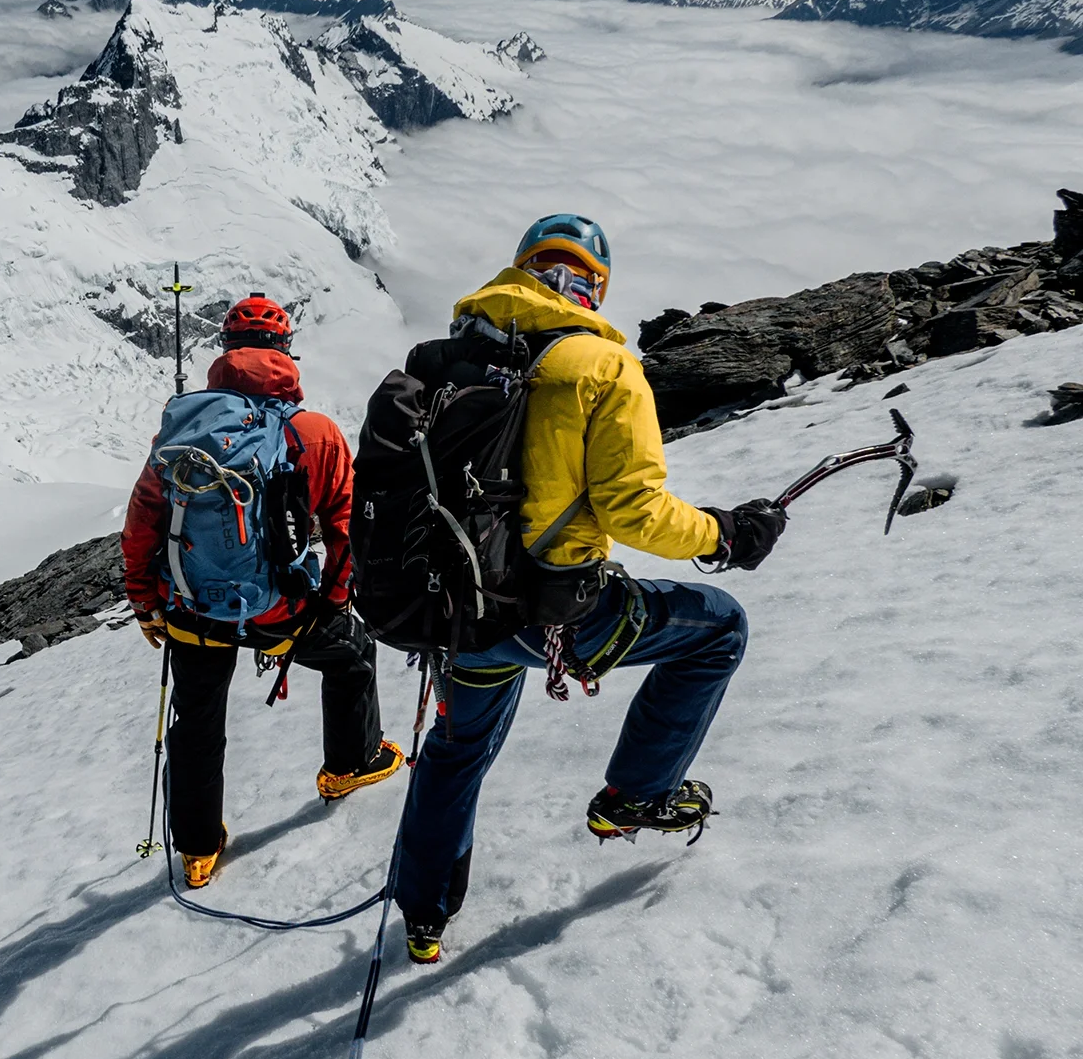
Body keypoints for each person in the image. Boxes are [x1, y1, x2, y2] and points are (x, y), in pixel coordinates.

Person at [393, 216, 787, 964]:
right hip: (555, 610)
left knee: (457, 747)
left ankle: (423, 912)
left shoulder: (447, 358)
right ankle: (636, 797)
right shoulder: (601, 365)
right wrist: (726, 534)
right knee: (719, 627)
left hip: (461, 608)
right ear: (594, 288)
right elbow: (634, 511)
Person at [123, 295, 404, 889]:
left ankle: (198, 848)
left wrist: (146, 602)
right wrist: (333, 600)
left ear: (225, 351)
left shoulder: (182, 430)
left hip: (193, 610)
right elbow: (346, 529)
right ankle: (349, 765)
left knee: (197, 719)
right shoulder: (315, 432)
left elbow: (144, 520)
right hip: (283, 611)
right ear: (286, 353)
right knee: (352, 656)